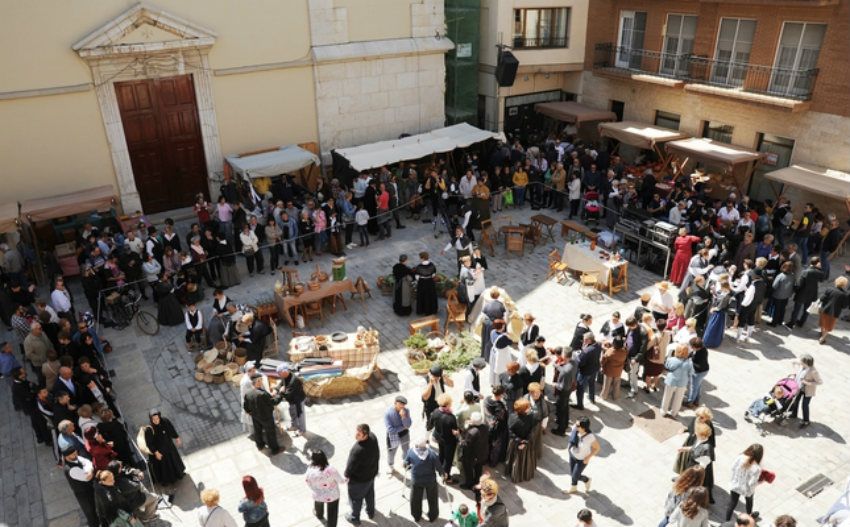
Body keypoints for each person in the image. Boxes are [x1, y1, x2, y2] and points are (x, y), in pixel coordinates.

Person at [403, 436, 445, 523]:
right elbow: (439, 468)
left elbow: (405, 463)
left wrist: (406, 465)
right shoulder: (432, 454)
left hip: (416, 480)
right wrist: (443, 475)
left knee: (415, 499)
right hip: (430, 481)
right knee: (432, 499)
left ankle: (416, 516)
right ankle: (433, 516)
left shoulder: (411, 451)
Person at [344, 423, 380, 525]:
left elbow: (350, 468)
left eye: (359, 434)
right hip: (371, 475)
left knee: (356, 499)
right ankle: (371, 511)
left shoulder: (357, 450)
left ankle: (355, 517)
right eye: (356, 432)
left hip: (359, 481)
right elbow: (378, 453)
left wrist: (346, 476)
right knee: (370, 494)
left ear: (365, 435)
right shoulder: (373, 437)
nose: (356, 436)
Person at [242, 373, 284, 455]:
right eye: (260, 380)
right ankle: (275, 449)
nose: (261, 381)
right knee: (270, 433)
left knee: (258, 431)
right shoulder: (262, 394)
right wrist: (281, 394)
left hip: (255, 416)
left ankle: (260, 445)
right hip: (266, 417)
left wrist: (251, 413)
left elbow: (245, 406)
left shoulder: (248, 393)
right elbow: (274, 402)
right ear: (257, 381)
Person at [142, 410, 185, 486]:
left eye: (157, 418)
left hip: (169, 447)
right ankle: (167, 481)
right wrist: (156, 452)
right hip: (160, 452)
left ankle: (178, 474)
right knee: (164, 467)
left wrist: (177, 437)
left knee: (174, 461)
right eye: (154, 419)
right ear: (151, 419)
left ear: (159, 417)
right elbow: (149, 443)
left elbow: (171, 429)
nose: (156, 421)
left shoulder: (165, 421)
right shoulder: (149, 429)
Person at [305, 449, 347, 527]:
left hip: (318, 494)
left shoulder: (310, 469)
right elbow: (341, 481)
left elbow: (307, 481)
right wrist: (347, 478)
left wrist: (316, 489)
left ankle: (319, 514)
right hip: (332, 495)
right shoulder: (331, 469)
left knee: (318, 504)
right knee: (332, 511)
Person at [725, 444, 764, 521]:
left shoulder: (740, 457)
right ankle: (749, 517)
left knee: (732, 503)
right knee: (749, 502)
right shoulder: (757, 468)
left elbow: (733, 468)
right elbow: (751, 484)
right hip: (747, 489)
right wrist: (760, 482)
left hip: (735, 484)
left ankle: (726, 521)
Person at [62, 446, 99, 527]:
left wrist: (89, 469)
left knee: (96, 508)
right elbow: (87, 477)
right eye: (73, 454)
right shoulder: (70, 469)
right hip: (83, 494)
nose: (76, 455)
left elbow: (87, 462)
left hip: (88, 488)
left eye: (75, 452)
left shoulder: (74, 457)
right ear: (66, 457)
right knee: (91, 512)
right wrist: (91, 469)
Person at [428, 393, 460, 483]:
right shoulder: (451, 418)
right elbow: (455, 432)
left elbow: (430, 425)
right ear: (448, 405)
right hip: (449, 441)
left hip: (439, 438)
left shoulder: (435, 412)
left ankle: (439, 468)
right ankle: (446, 477)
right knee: (448, 459)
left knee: (441, 454)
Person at [565, 417, 600, 494]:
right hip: (572, 455)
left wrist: (588, 457)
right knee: (572, 474)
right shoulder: (575, 429)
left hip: (581, 460)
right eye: (576, 424)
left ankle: (587, 480)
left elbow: (597, 448)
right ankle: (573, 488)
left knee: (575, 476)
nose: (575, 426)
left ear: (584, 428)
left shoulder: (590, 437)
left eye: (578, 426)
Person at [787, 257, 824, 328]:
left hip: (802, 293)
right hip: (812, 294)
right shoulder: (820, 272)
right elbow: (822, 279)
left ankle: (791, 323)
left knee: (796, 310)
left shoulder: (805, 272)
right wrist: (819, 268)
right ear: (817, 264)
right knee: (806, 310)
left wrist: (795, 290)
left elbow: (800, 284)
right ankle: (801, 323)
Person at [787, 354, 823, 428]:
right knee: (795, 401)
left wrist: (807, 383)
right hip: (799, 387)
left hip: (808, 391)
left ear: (806, 363)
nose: (800, 362)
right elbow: (799, 371)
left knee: (804, 405)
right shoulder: (802, 366)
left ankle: (806, 421)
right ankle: (794, 414)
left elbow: (820, 382)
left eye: (801, 361)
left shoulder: (813, 372)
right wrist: (794, 374)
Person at [506, 399, 536, 483]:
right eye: (528, 407)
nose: (530, 408)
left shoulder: (513, 416)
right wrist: (522, 442)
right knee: (519, 459)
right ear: (523, 409)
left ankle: (514, 471)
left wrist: (523, 441)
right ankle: (519, 473)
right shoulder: (516, 418)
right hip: (518, 442)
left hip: (519, 441)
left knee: (515, 459)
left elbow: (531, 430)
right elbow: (510, 432)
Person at [661, 344, 694, 418]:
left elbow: (667, 367)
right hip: (682, 382)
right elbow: (691, 373)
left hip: (671, 381)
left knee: (666, 396)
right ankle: (674, 412)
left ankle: (663, 411)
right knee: (678, 399)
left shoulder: (671, 359)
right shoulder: (689, 363)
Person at [459, 411, 489, 490]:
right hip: (482, 453)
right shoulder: (485, 427)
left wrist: (460, 437)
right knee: (478, 468)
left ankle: (469, 484)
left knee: (468, 470)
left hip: (471, 456)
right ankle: (477, 481)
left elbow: (465, 444)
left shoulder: (472, 432)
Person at [384, 395, 412, 475]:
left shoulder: (406, 411)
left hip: (404, 435)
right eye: (400, 404)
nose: (402, 406)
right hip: (392, 436)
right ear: (395, 403)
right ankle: (391, 466)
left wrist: (403, 417)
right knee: (391, 452)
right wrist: (403, 427)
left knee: (406, 449)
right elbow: (390, 430)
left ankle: (405, 462)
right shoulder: (388, 413)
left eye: (403, 405)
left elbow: (408, 424)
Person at [573, 332, 602, 410]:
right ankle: (592, 398)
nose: (583, 341)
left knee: (580, 389)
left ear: (589, 340)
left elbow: (580, 363)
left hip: (585, 372)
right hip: (594, 369)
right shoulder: (598, 345)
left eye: (585, 340)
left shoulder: (587, 351)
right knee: (591, 384)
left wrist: (579, 355)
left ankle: (580, 405)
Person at [817, 276, 849, 344]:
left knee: (823, 323)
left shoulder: (829, 289)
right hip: (835, 312)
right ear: (844, 284)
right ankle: (822, 338)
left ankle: (822, 334)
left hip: (825, 309)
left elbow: (822, 298)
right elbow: (844, 306)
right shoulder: (844, 295)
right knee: (828, 326)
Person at [551, 348, 576, 435]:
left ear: (564, 356)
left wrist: (555, 385)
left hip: (563, 392)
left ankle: (561, 430)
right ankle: (565, 424)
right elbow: (565, 370)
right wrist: (557, 366)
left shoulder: (566, 370)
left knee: (561, 410)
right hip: (569, 389)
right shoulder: (574, 362)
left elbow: (562, 386)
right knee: (565, 408)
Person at [277, 364, 307, 436]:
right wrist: (276, 389)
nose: (278, 375)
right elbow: (281, 383)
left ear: (284, 372)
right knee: (292, 413)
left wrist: (281, 392)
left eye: (279, 373)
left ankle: (302, 430)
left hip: (298, 400)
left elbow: (287, 395)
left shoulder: (294, 380)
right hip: (292, 400)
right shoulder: (285, 376)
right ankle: (294, 426)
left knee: (300, 415)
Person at [483, 385, 509, 466]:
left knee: (488, 444)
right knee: (496, 447)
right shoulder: (499, 406)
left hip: (487, 425)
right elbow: (501, 418)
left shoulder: (487, 399)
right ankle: (492, 462)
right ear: (501, 394)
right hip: (497, 429)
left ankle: (485, 459)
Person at [703, 282, 733, 348]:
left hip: (719, 314)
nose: (721, 289)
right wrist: (714, 293)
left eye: (722, 287)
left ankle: (709, 342)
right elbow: (718, 298)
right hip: (718, 313)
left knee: (712, 328)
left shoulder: (727, 296)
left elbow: (720, 307)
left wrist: (713, 309)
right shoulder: (725, 293)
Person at [600, 336, 628, 400]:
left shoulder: (610, 352)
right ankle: (616, 396)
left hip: (609, 371)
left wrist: (603, 351)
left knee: (606, 385)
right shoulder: (624, 351)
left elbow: (602, 361)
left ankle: (604, 396)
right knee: (617, 384)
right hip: (618, 371)